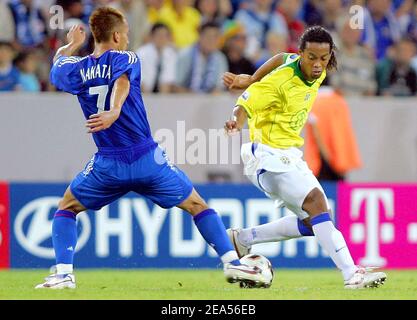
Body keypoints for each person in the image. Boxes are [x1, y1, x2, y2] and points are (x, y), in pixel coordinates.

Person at [35, 6, 264, 289]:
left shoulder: (77, 68)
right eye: (127, 34)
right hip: (146, 158)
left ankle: (64, 274)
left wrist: (71, 45)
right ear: (117, 36)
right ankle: (233, 263)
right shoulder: (127, 57)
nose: (128, 40)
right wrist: (116, 110)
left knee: (67, 207)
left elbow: (57, 67)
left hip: (108, 165)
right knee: (197, 205)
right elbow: (122, 81)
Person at [223, 26, 387, 289]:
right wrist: (235, 120)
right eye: (311, 57)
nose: (317, 64)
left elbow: (279, 57)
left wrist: (253, 76)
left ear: (330, 55)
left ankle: (243, 238)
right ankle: (351, 274)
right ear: (301, 54)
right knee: (316, 202)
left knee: (314, 221)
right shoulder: (282, 80)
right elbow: (245, 102)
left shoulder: (314, 68)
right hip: (267, 154)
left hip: (287, 154)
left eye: (323, 58)